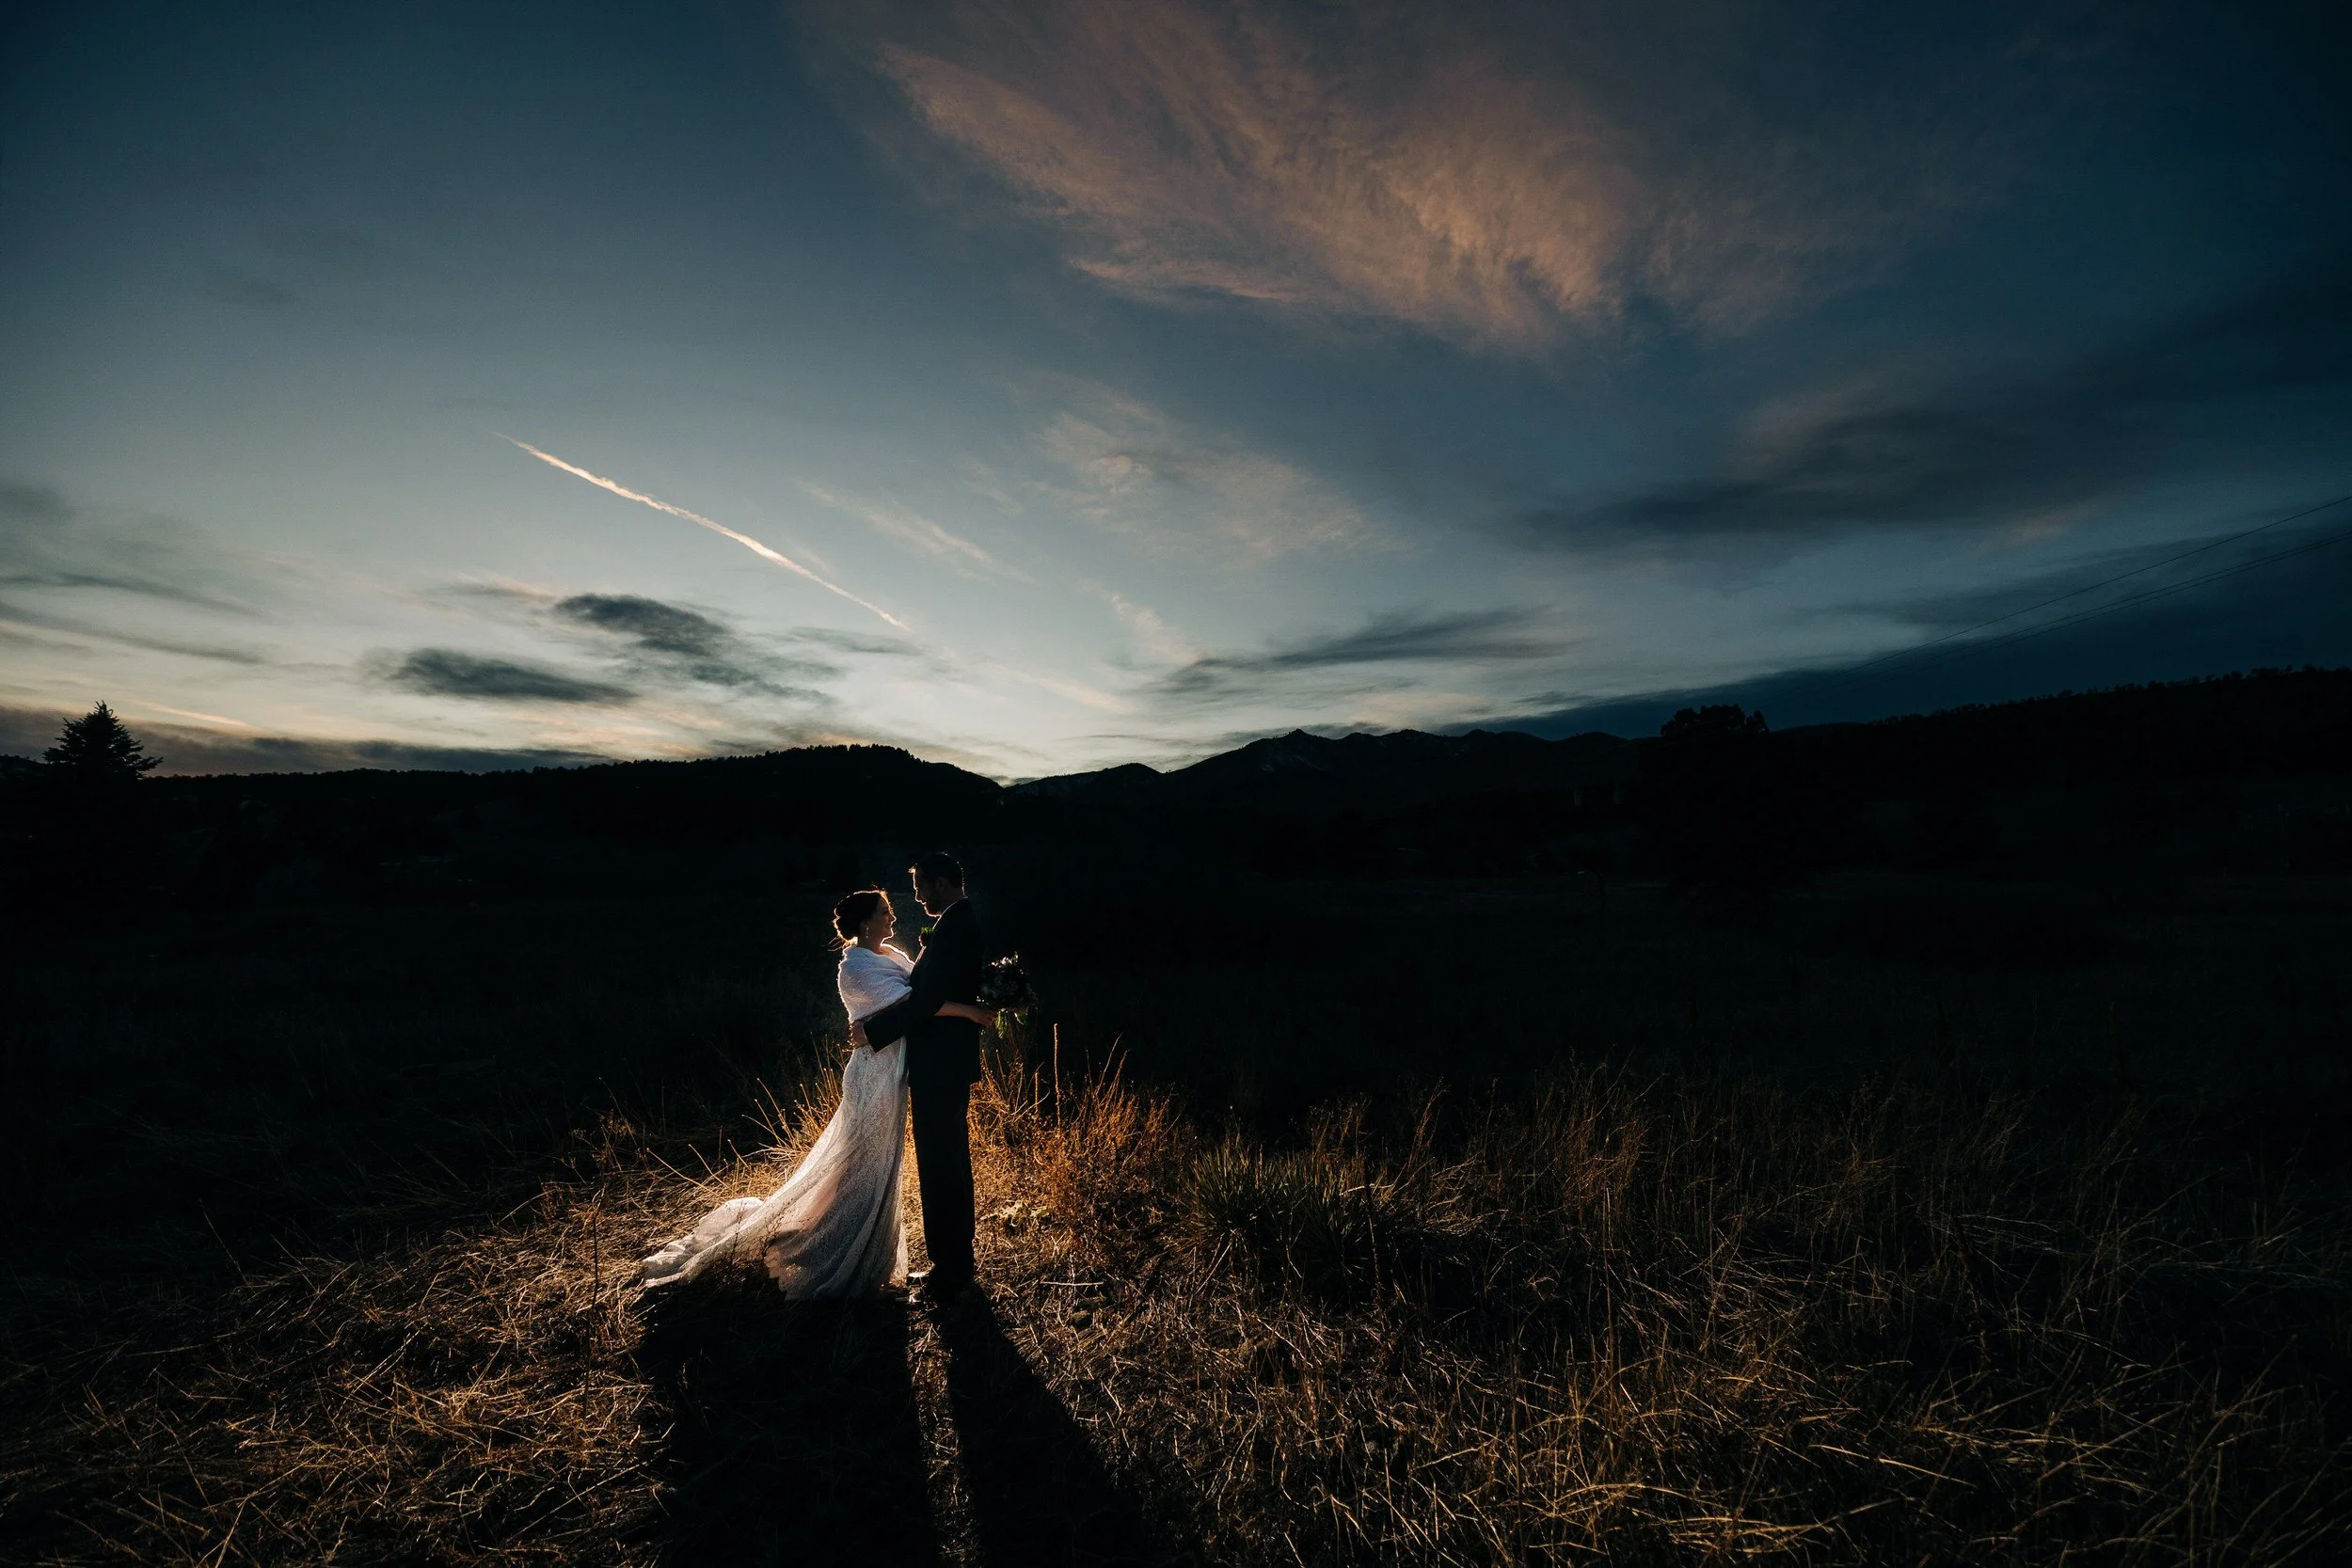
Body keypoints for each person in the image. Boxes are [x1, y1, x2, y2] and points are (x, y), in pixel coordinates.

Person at [634, 886, 993, 1295]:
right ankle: (823, 1246)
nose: (893, 918)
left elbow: (924, 993)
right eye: (885, 912)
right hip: (873, 1075)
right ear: (865, 922)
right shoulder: (855, 968)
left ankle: (849, 1244)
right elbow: (914, 1003)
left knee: (878, 1164)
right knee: (860, 1163)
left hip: (894, 1072)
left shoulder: (891, 955)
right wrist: (968, 1011)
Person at [850, 851, 986, 1304]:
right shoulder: (955, 923)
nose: (917, 897)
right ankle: (954, 1263)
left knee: (941, 1165)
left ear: (944, 884)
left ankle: (951, 1271)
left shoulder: (953, 928)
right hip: (943, 1063)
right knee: (947, 1162)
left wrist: (872, 1032)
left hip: (940, 1066)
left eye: (922, 888)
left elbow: (925, 1000)